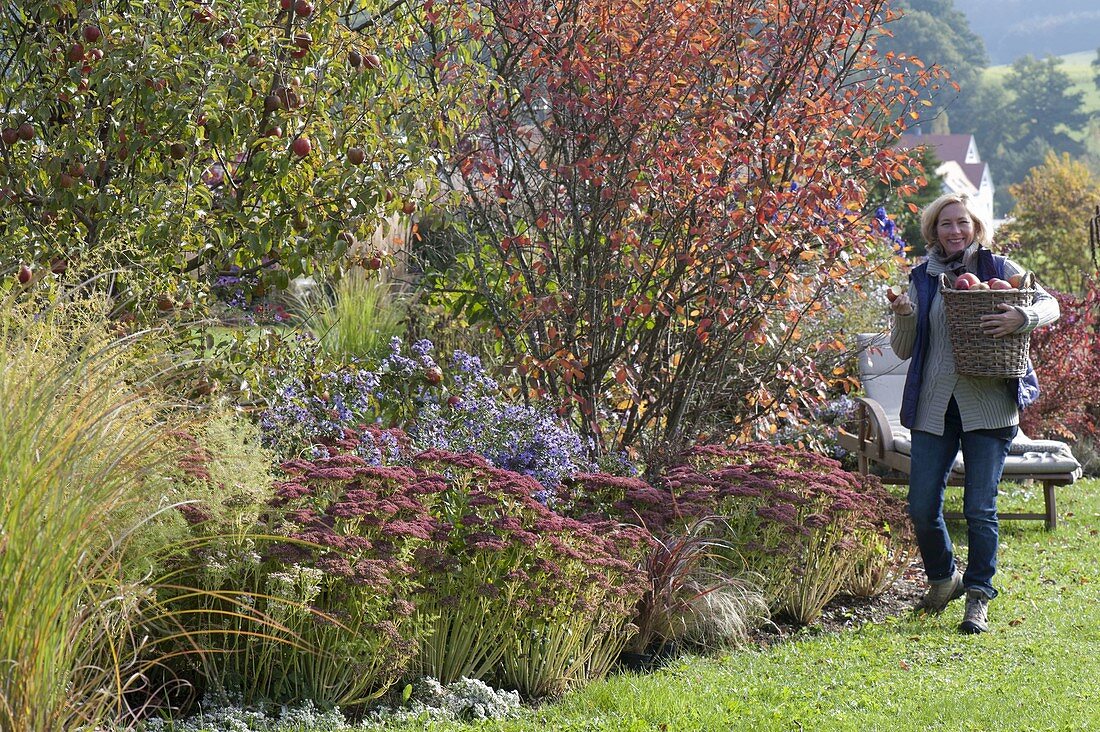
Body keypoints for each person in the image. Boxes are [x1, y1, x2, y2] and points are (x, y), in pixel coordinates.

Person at [888, 192, 1059, 634]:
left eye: (962, 222)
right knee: (922, 506)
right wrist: (905, 315)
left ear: (975, 226)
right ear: (933, 230)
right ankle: (945, 579)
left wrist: (1021, 316)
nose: (955, 231)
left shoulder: (999, 269)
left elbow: (1050, 305)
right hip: (933, 407)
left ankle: (978, 596)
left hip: (990, 407)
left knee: (980, 508)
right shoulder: (921, 278)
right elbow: (905, 349)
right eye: (946, 224)